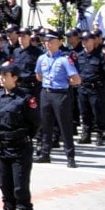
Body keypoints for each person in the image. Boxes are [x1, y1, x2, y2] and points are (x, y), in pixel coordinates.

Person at [0, 62, 40, 210]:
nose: (1, 78)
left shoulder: (25, 98)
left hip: (20, 146)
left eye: (5, 75)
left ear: (15, 78)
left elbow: (35, 123)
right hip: (1, 146)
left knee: (20, 184)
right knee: (4, 182)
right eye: (0, 75)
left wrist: (22, 136)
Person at [36, 31, 81, 167]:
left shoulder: (64, 59)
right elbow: (39, 76)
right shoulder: (41, 58)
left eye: (51, 41)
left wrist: (64, 83)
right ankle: (45, 153)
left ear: (59, 43)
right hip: (46, 92)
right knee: (45, 124)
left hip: (61, 94)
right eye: (46, 41)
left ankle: (70, 156)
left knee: (64, 125)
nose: (48, 44)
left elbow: (76, 79)